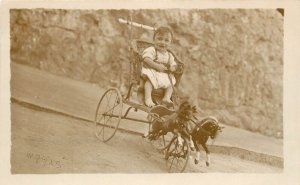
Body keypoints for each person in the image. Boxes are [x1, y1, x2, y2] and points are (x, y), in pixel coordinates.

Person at [141, 26, 177, 107]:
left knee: (171, 85)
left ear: (170, 43)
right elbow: (146, 59)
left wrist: (173, 68)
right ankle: (148, 99)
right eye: (159, 39)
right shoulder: (152, 50)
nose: (163, 42)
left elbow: (173, 64)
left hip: (163, 75)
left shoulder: (169, 55)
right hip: (152, 71)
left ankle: (166, 98)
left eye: (166, 40)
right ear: (154, 40)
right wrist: (156, 66)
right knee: (149, 83)